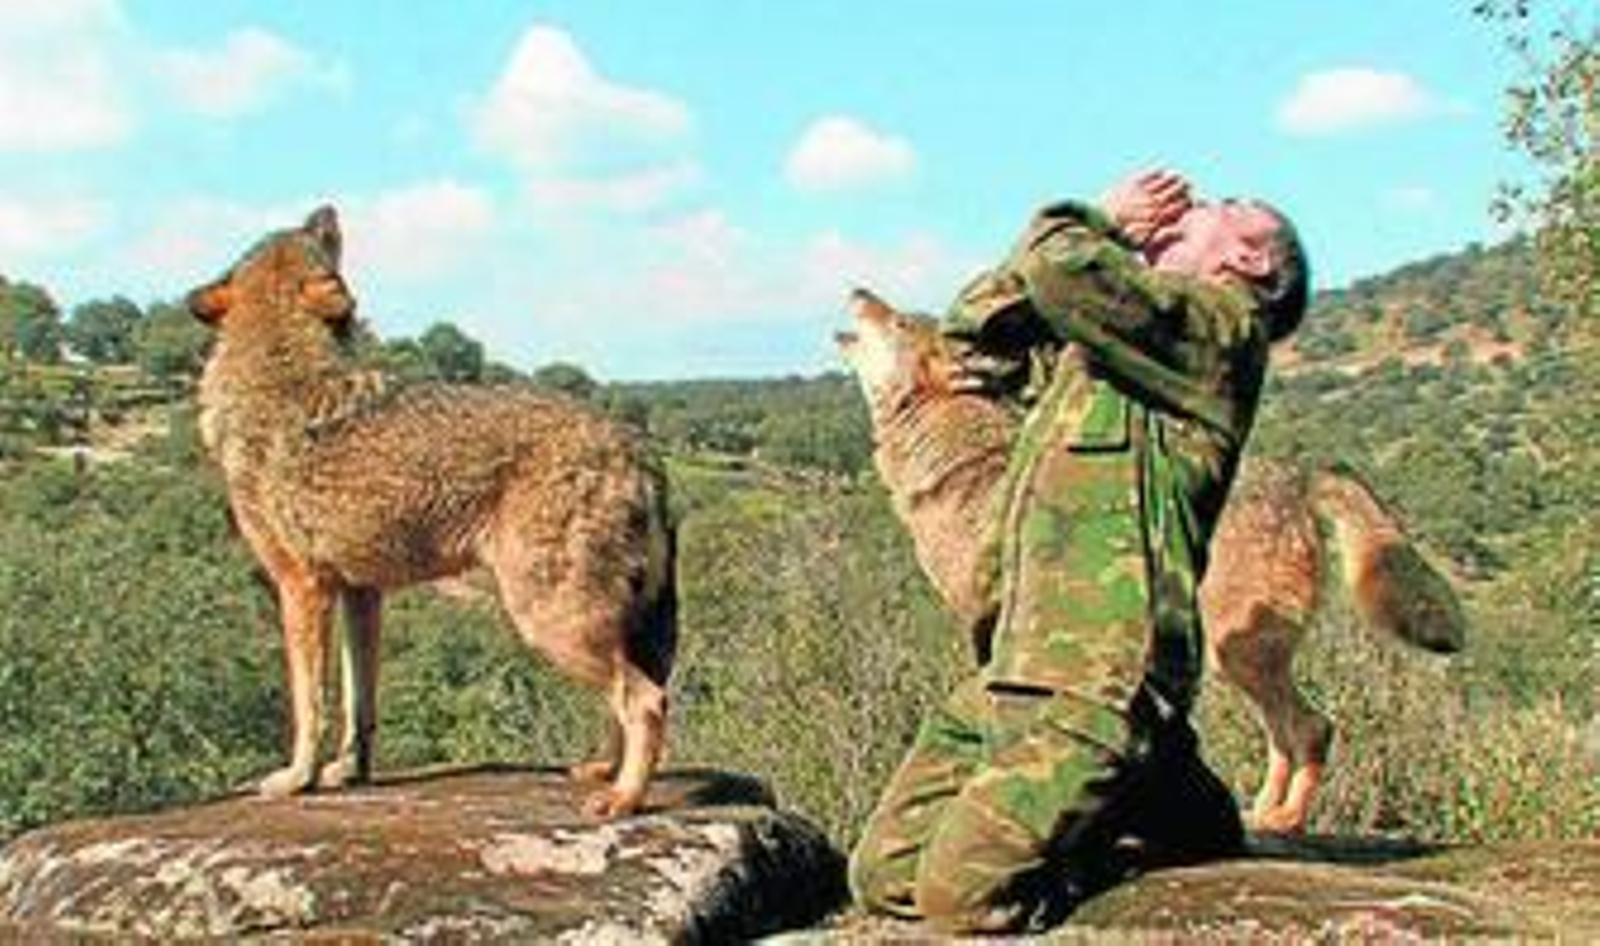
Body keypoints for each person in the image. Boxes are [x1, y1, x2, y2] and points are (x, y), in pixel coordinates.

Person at [848, 168, 1310, 933]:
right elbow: (971, 334)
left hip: (1102, 680)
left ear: (1249, 261)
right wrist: (1099, 241)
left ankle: (1136, 793)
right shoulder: (1112, 331)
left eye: (1220, 210)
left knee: (960, 898)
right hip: (1017, 673)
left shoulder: (1222, 328)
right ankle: (1164, 796)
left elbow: (1061, 263)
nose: (1191, 204)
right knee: (884, 872)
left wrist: (1106, 219)